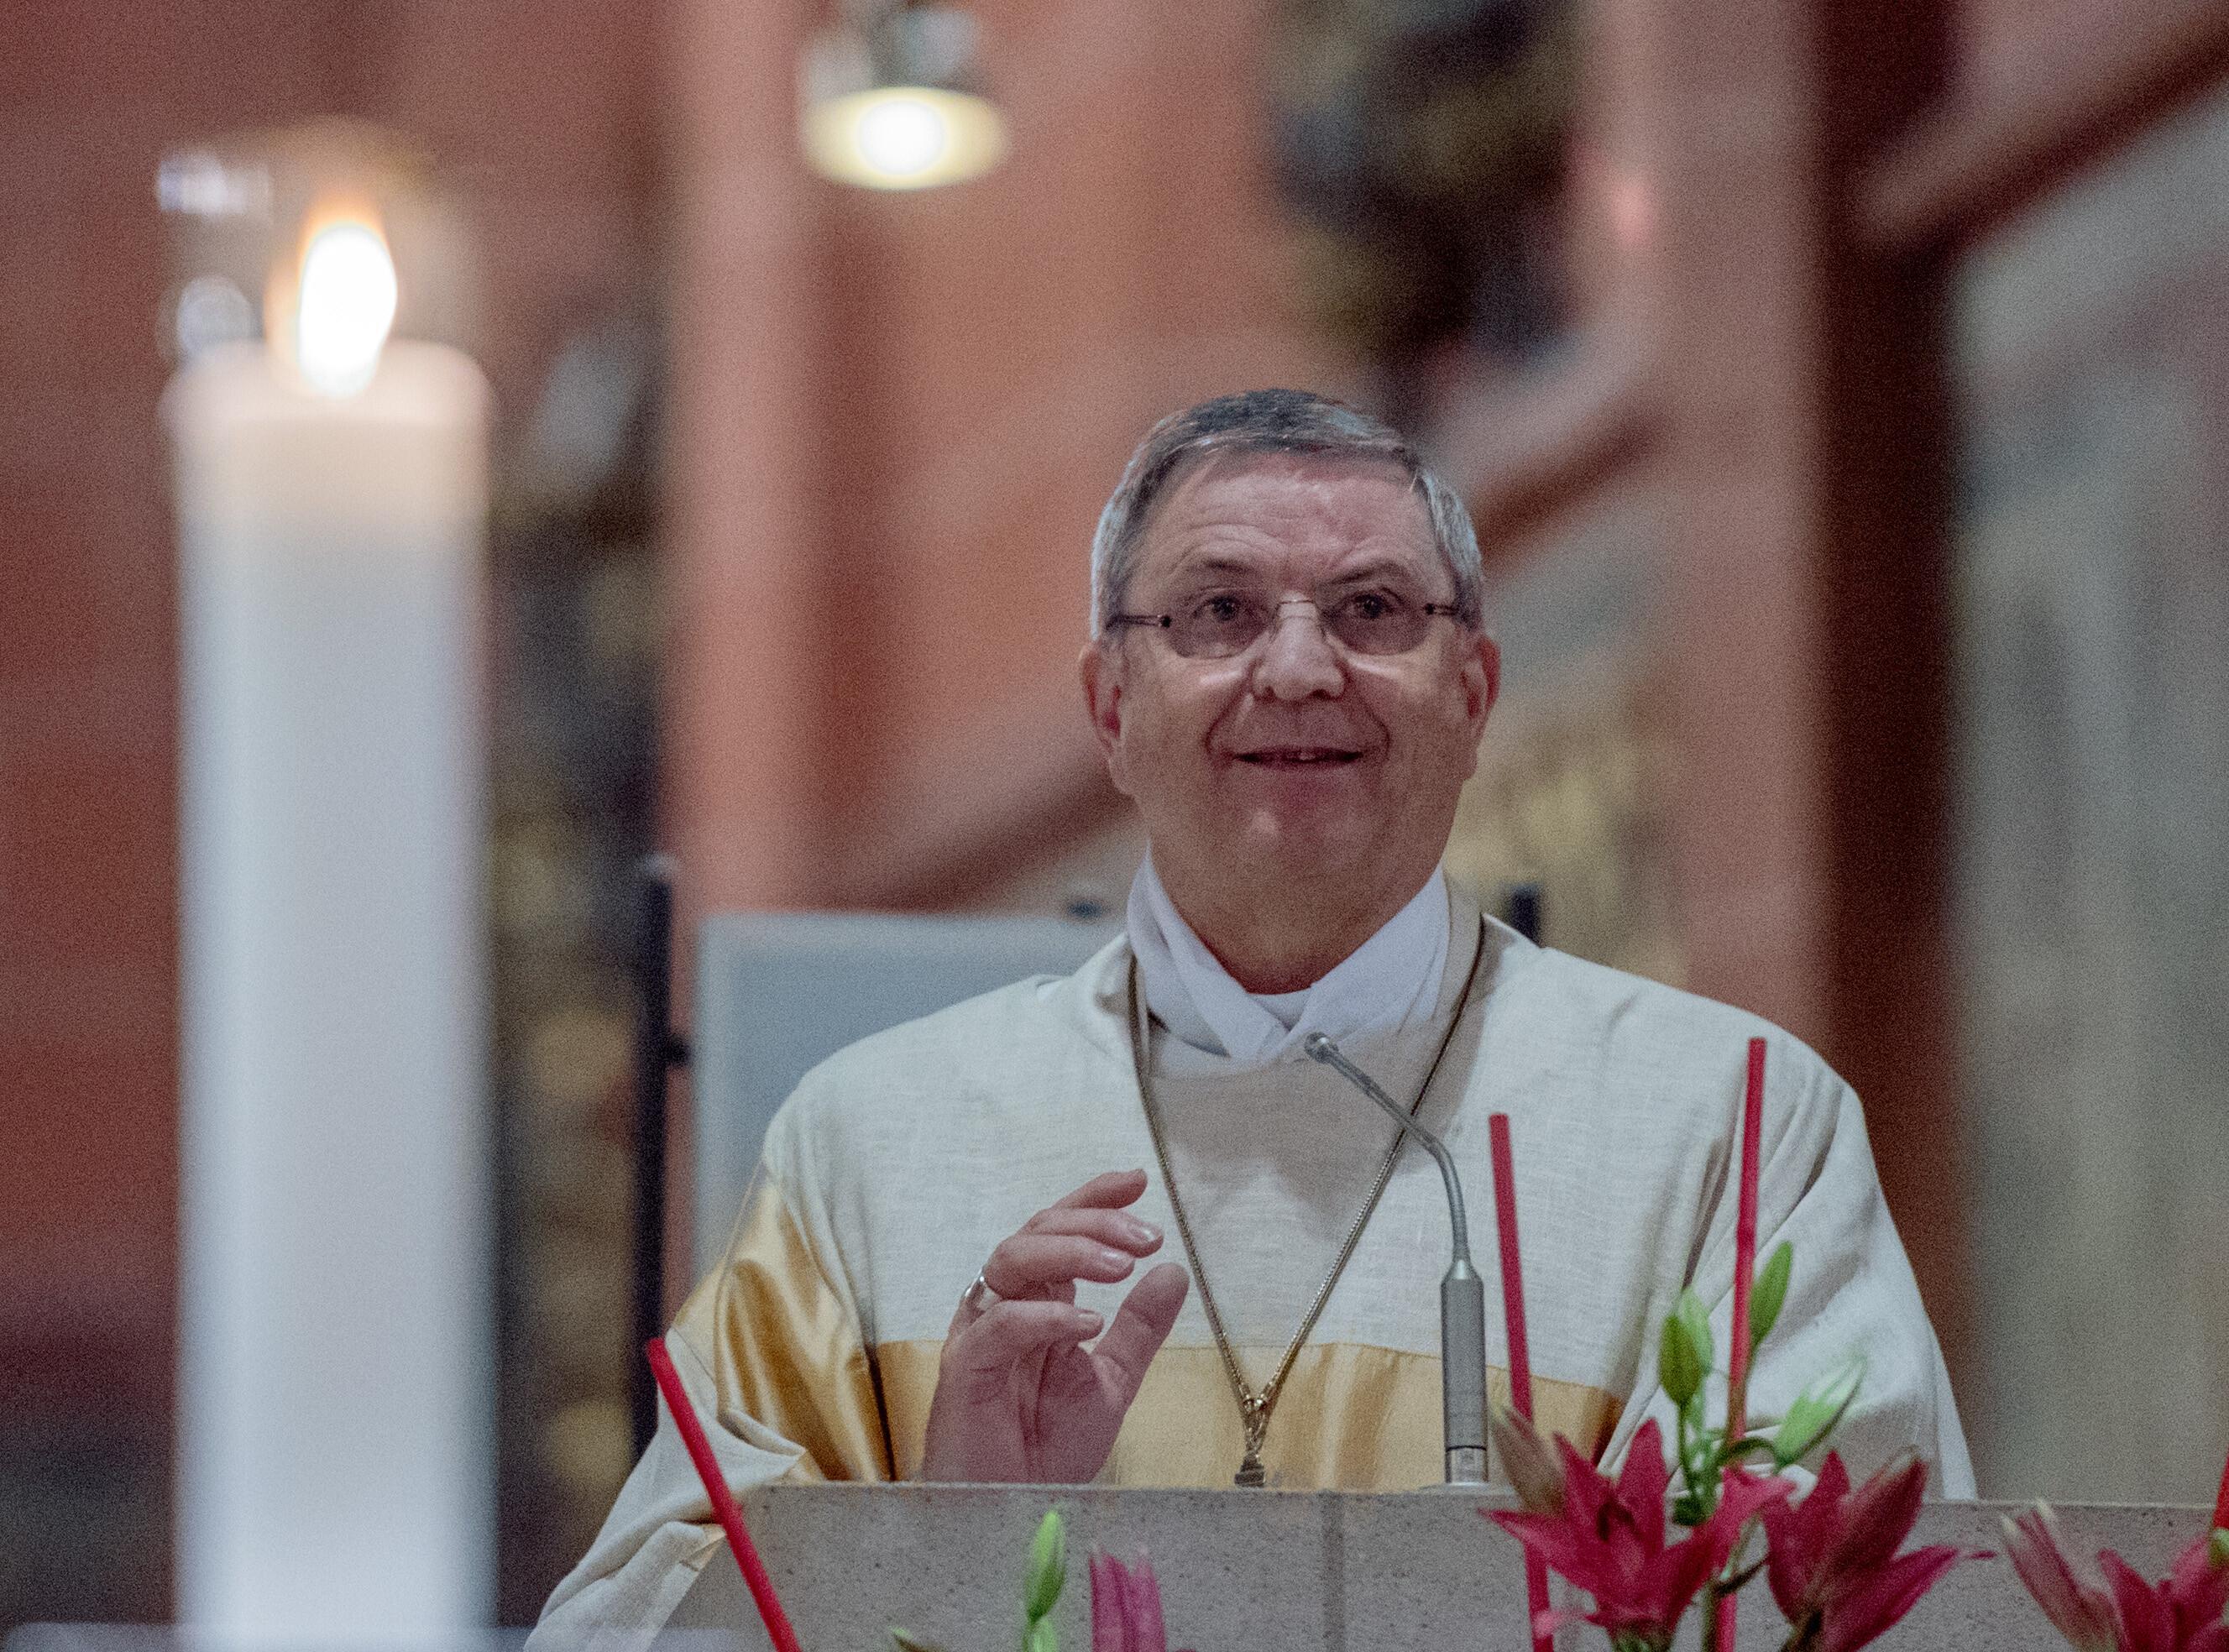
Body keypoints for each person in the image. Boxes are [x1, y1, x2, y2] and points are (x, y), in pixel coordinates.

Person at [532, 389, 1972, 1640]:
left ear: (1473, 693)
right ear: (1111, 704)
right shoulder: (871, 1145)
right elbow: (634, 1627)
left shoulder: (1729, 1130)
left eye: (1372, 611)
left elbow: (1854, 1604)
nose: (1297, 668)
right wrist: (945, 1540)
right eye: (1219, 612)